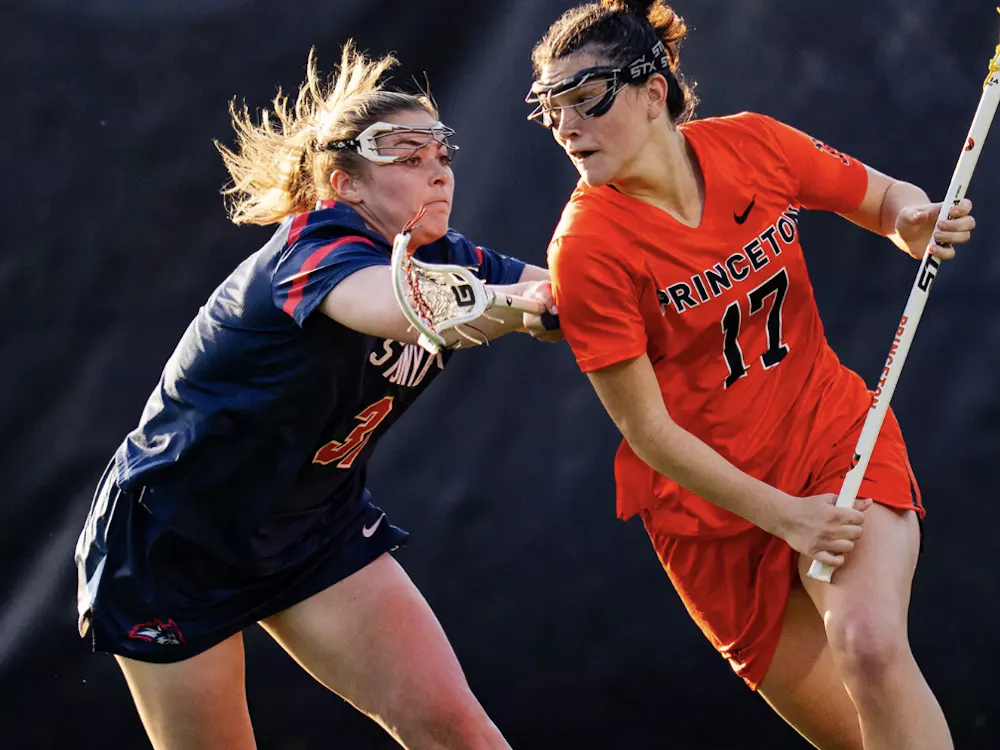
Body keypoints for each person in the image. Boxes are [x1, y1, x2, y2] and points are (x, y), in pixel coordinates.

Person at [75, 41, 558, 750]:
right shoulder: (316, 245)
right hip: (176, 545)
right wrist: (521, 304)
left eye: (443, 154)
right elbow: (402, 307)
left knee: (464, 738)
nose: (439, 172)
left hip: (309, 530)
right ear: (346, 183)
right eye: (407, 153)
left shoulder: (450, 256)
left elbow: (562, 290)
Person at [527, 2, 976, 748]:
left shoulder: (754, 146)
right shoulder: (586, 248)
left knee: (870, 647)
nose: (567, 127)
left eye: (586, 99)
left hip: (827, 441)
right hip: (710, 516)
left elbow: (885, 198)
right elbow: (649, 432)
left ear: (653, 90)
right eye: (551, 110)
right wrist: (783, 516)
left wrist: (909, 221)